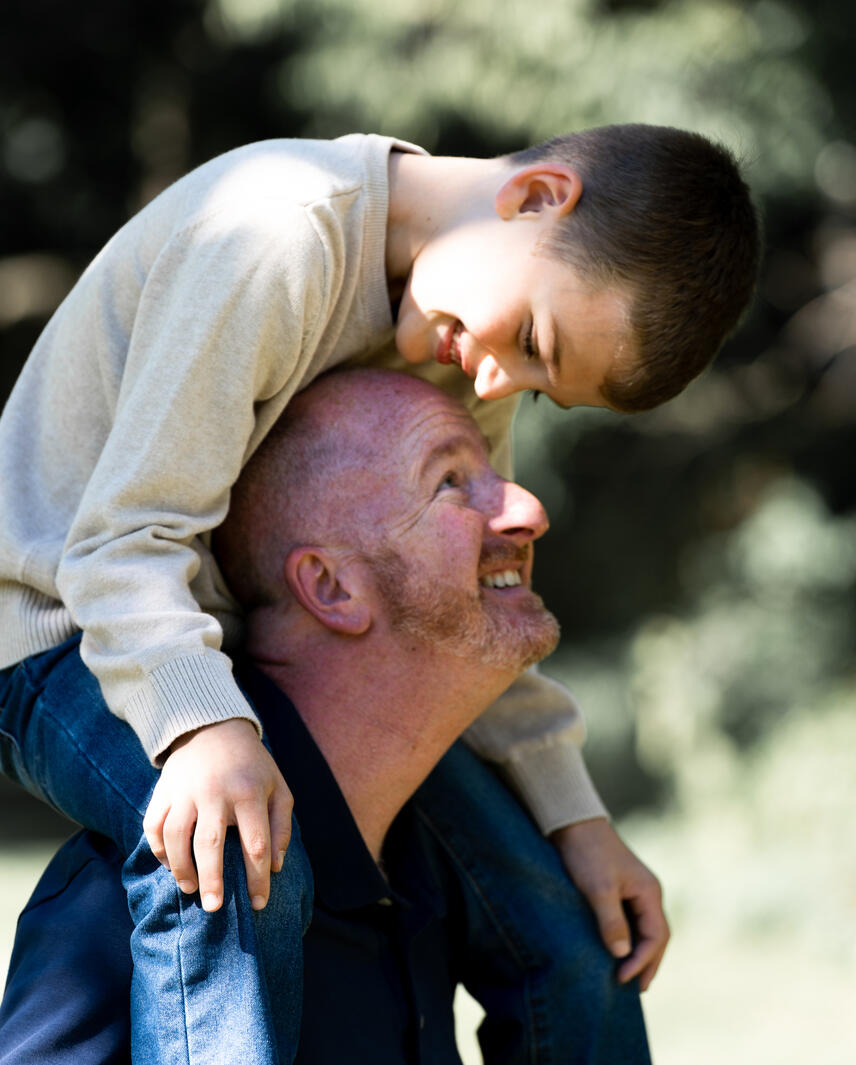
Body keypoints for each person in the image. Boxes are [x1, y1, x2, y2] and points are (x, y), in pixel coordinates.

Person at [0, 123, 758, 1062]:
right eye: (533, 339)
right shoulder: (275, 237)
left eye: (538, 383)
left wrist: (577, 817)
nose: (498, 380)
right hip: (63, 631)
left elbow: (474, 598)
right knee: (233, 856)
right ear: (536, 198)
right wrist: (204, 729)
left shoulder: (455, 320)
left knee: (568, 930)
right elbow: (122, 540)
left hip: (216, 645)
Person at [0, 369, 652, 1065]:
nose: (528, 509)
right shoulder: (168, 884)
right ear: (330, 587)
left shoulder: (458, 877)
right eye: (451, 482)